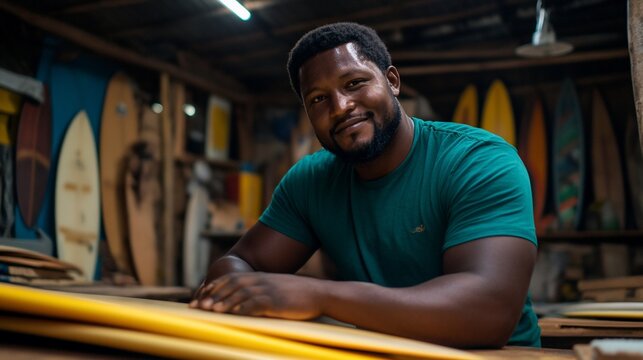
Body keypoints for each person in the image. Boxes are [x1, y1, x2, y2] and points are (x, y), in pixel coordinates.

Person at [190, 22, 540, 349]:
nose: (341, 107)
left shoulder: (477, 160)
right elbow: (238, 262)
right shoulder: (310, 181)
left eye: (354, 83)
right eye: (318, 99)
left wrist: (319, 296)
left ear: (392, 81)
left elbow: (488, 310)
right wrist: (235, 290)